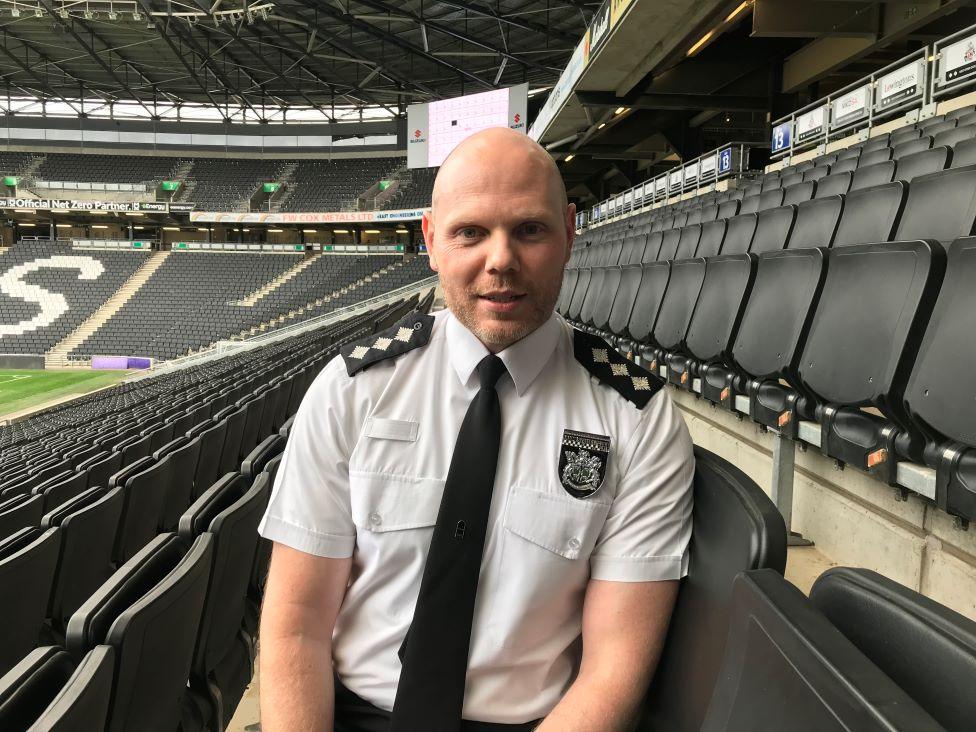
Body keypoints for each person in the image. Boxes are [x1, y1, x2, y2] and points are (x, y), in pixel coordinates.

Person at [257, 127, 695, 732]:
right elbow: (295, 624)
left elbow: (613, 670)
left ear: (569, 233)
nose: (501, 261)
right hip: (355, 713)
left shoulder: (637, 418)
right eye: (470, 232)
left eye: (529, 230)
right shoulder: (351, 389)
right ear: (432, 241)